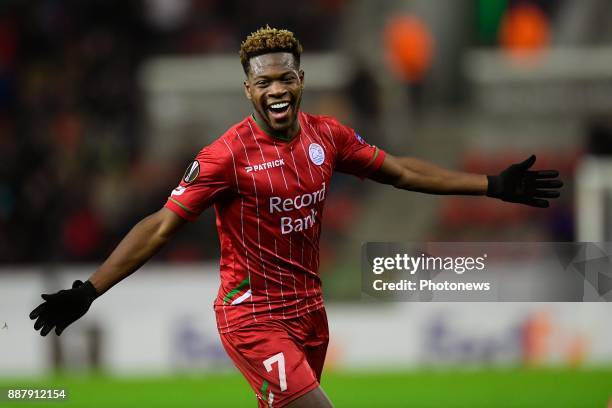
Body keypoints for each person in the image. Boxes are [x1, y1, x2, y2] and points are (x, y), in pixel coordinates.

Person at [29, 26, 563, 408]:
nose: (276, 89)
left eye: (284, 77)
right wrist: (89, 289)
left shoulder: (327, 136)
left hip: (310, 312)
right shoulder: (225, 156)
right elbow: (162, 224)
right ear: (248, 89)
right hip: (253, 317)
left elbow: (400, 171)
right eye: (263, 82)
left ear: (300, 78)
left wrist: (492, 185)